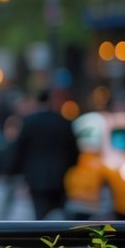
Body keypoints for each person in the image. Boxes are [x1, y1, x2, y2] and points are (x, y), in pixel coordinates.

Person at [5, 88, 80, 220]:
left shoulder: (29, 122)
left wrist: (13, 171)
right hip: (59, 176)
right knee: (59, 213)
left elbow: (19, 149)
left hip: (36, 177)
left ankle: (44, 238)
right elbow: (74, 150)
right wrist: (69, 166)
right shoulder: (63, 122)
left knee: (40, 214)